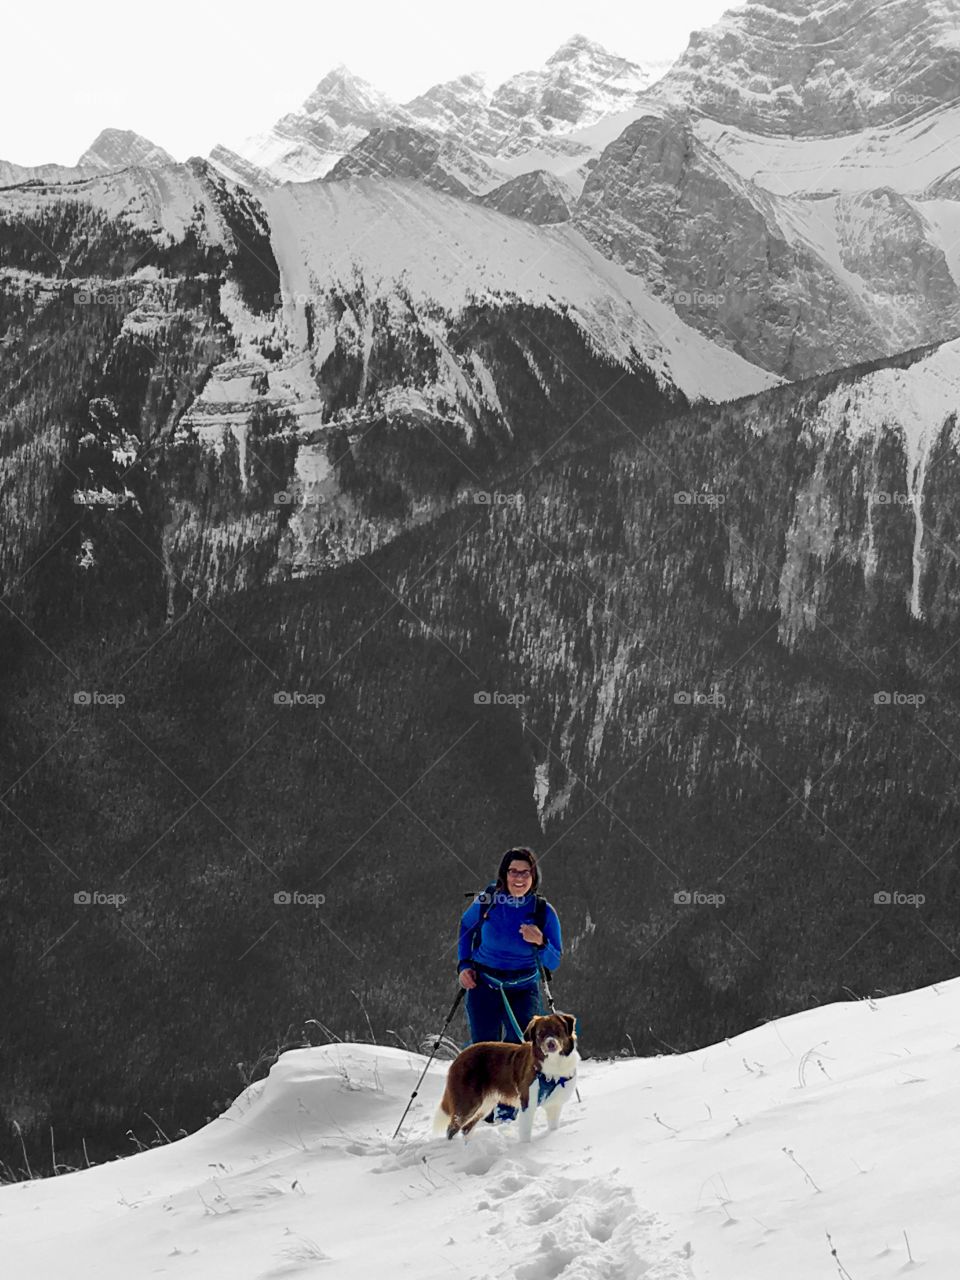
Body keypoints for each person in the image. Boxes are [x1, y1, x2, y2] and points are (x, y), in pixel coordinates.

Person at [457, 847, 563, 1121]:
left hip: (523, 987)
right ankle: (484, 1112)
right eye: (513, 871)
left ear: (533, 876)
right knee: (485, 1047)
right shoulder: (487, 900)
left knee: (520, 1047)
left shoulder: (542, 911)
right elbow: (465, 927)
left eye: (525, 872)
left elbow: (553, 961)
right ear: (504, 875)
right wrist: (464, 965)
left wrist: (540, 941)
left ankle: (507, 1111)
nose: (519, 878)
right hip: (484, 984)